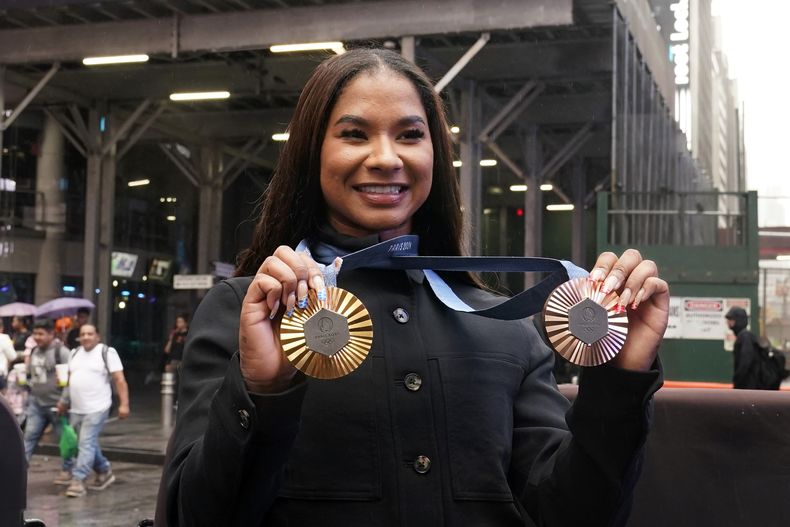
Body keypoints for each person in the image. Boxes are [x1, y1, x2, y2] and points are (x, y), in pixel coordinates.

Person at [159, 49, 669, 526]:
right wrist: (261, 392)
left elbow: (572, 515)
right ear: (311, 153)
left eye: (409, 135)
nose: (386, 157)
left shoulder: (509, 330)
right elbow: (187, 516)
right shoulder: (250, 313)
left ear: (435, 154)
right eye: (354, 134)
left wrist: (620, 379)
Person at [58, 324, 130, 498]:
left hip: (98, 406)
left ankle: (78, 480)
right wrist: (64, 401)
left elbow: (119, 379)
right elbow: (69, 380)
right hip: (77, 408)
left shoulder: (106, 352)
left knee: (86, 442)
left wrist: (124, 404)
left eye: (90, 334)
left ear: (97, 336)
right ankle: (104, 471)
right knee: (86, 443)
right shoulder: (74, 353)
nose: (86, 337)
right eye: (83, 334)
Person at [23, 318, 72, 483]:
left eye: (41, 334)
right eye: (35, 333)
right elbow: (33, 375)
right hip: (36, 402)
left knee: (63, 439)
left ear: (51, 334)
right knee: (29, 436)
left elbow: (70, 378)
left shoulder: (61, 352)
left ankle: (67, 470)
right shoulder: (34, 351)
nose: (37, 337)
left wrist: (64, 400)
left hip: (57, 404)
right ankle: (20, 467)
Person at [726, 306, 761, 389]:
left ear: (738, 321)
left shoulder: (745, 337)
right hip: (748, 387)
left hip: (748, 388)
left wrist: (737, 381)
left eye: (731, 320)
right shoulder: (744, 336)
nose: (728, 322)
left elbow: (745, 363)